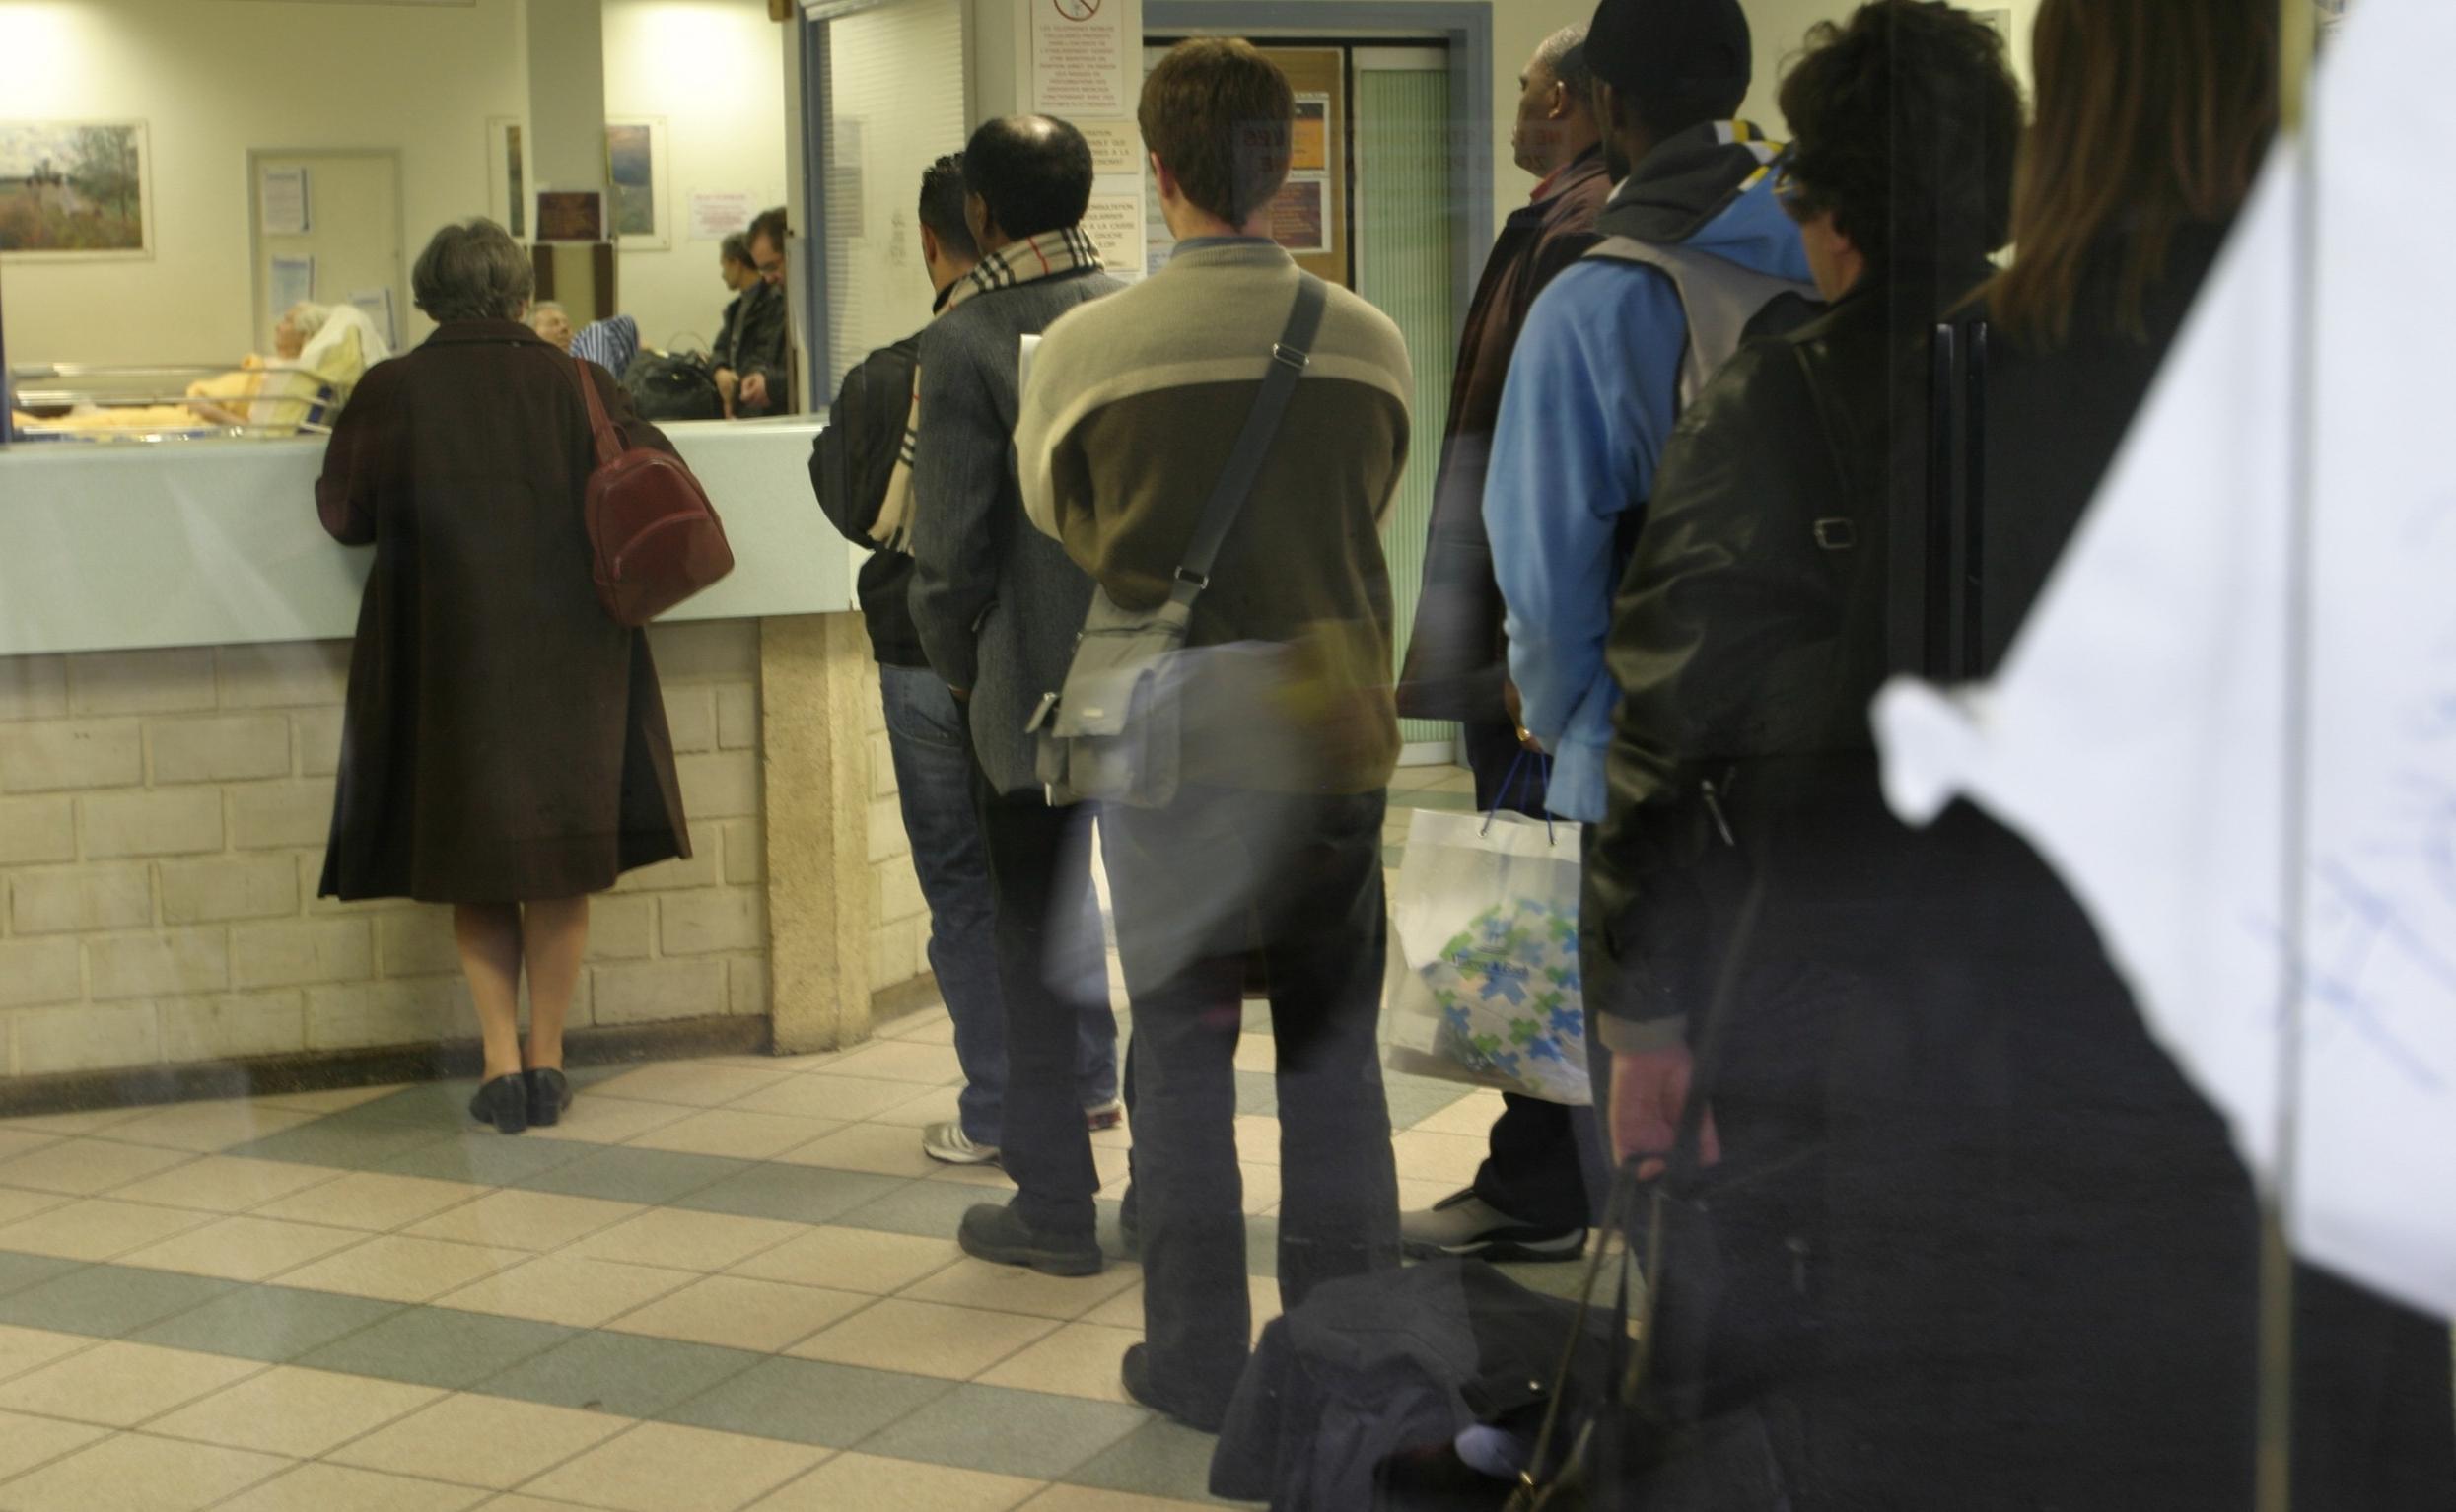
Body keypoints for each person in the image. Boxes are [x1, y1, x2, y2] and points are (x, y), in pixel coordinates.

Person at [1589, 1, 2456, 1503]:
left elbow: (1856, 780)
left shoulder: (1987, 369)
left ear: (2078, 102)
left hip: (2009, 1077)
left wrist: (1678, 1015)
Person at [1017, 36, 1413, 1430]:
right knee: (1329, 1050)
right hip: (1329, 723)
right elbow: (1370, 505)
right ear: (1281, 162)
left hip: (1170, 737)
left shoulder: (1084, 351)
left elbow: (1062, 518)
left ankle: (1193, 1357)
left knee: (1180, 1052)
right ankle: (1347, 1355)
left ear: (1158, 169)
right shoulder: (1369, 342)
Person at [1480, 0, 1814, 1225]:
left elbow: (1544, 567)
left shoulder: (1599, 298)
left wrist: (1558, 715)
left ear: (1607, 102)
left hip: (1644, 772)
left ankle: (1665, 1323)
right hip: (1827, 757)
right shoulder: (1832, 250)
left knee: (1653, 1132)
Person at [315, 217, 691, 1137]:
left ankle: (498, 1064)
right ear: (522, 298)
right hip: (574, 659)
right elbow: (659, 478)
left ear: (427, 298)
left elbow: (346, 517)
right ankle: (550, 1060)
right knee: (558, 862)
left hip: (446, 656)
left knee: (477, 863)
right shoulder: (581, 382)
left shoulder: (391, 389)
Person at [811, 154, 1121, 1169]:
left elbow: (873, 517)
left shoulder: (914, 363)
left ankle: (999, 1104)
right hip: (1073, 656)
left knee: (965, 886)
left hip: (936, 661)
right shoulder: (1112, 324)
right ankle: (1089, 1080)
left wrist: (958, 664)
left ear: (937, 238)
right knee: (1060, 884)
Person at [1394, 25, 1612, 1269]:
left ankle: (1537, 1187)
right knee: (1550, 914)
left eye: (1528, 93)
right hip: (1536, 652)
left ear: (1572, 98)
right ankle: (1560, 1177)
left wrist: (1524, 662)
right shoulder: (1571, 225)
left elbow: (1536, 480)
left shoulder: (1574, 240)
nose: (1517, 112)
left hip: (1533, 662)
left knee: (1529, 920)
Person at [907, 116, 1124, 1277]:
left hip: (1026, 690)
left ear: (979, 213)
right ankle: (1171, 1189)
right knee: (1164, 941)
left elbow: (946, 552)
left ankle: (1054, 1205)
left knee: (1031, 941)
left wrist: (958, 665)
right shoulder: (1135, 309)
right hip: (1152, 686)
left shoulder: (965, 339)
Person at [718, 206, 792, 418]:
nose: (767, 278)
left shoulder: (777, 303)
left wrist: (770, 385)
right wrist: (720, 370)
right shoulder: (736, 308)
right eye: (763, 270)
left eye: (771, 267)